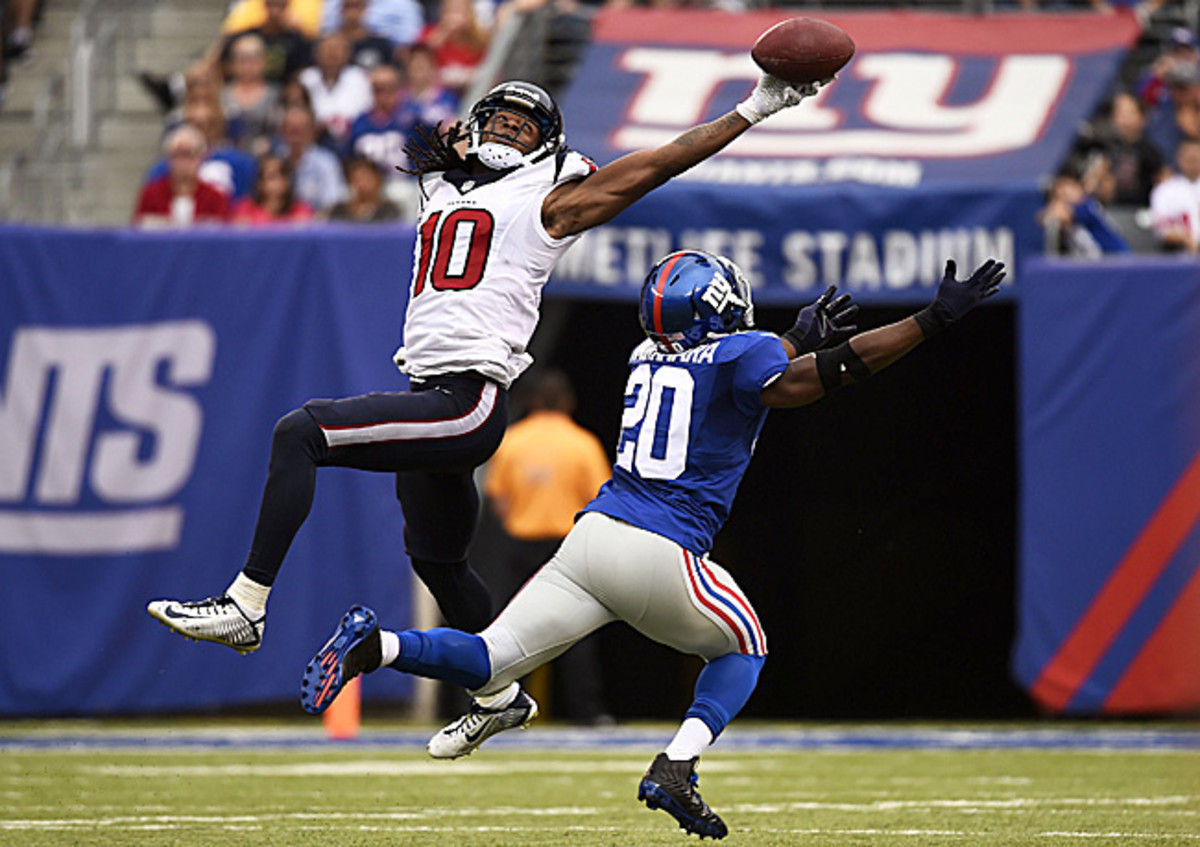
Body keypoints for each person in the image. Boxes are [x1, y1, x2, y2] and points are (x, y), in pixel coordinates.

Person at [298, 250, 1004, 840]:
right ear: (719, 304)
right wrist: (930, 321)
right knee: (745, 647)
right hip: (660, 547)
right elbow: (816, 377)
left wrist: (793, 337)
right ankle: (676, 764)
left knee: (488, 656)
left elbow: (732, 369)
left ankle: (377, 644)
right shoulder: (747, 350)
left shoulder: (643, 354)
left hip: (591, 537)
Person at [146, 73, 829, 656]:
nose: (508, 129)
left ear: (550, 149)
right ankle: (501, 693)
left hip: (465, 401)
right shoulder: (443, 187)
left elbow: (659, 163)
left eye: (525, 126)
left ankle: (247, 604)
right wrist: (448, 142)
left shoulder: (548, 201)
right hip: (429, 389)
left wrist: (753, 108)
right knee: (439, 564)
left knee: (302, 431)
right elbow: (416, 144)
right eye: (498, 118)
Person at [481, 368, 613, 725]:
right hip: (566, 548)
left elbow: (499, 498)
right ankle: (587, 712)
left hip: (520, 546)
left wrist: (517, 521)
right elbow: (599, 499)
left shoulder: (512, 440)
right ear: (568, 401)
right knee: (577, 632)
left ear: (531, 400)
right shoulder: (583, 443)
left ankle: (505, 707)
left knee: (513, 629)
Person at [133, 124, 231, 227]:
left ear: (201, 158)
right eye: (178, 155)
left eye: (190, 155)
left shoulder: (215, 197)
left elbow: (222, 237)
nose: (184, 162)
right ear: (168, 158)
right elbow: (138, 231)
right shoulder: (151, 194)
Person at [231, 153, 315, 224]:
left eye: (283, 175)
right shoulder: (246, 208)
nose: (280, 181)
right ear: (260, 183)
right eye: (272, 177)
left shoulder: (300, 209)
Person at [1149, 136, 1200, 253]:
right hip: (1179, 251)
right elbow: (1161, 230)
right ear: (1179, 158)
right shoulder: (1165, 190)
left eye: (1196, 159)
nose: (1193, 163)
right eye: (1189, 159)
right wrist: (1185, 238)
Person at [327, 155, 403, 222]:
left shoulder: (390, 211)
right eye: (357, 179)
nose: (362, 184)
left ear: (378, 180)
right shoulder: (339, 211)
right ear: (350, 182)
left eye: (367, 178)